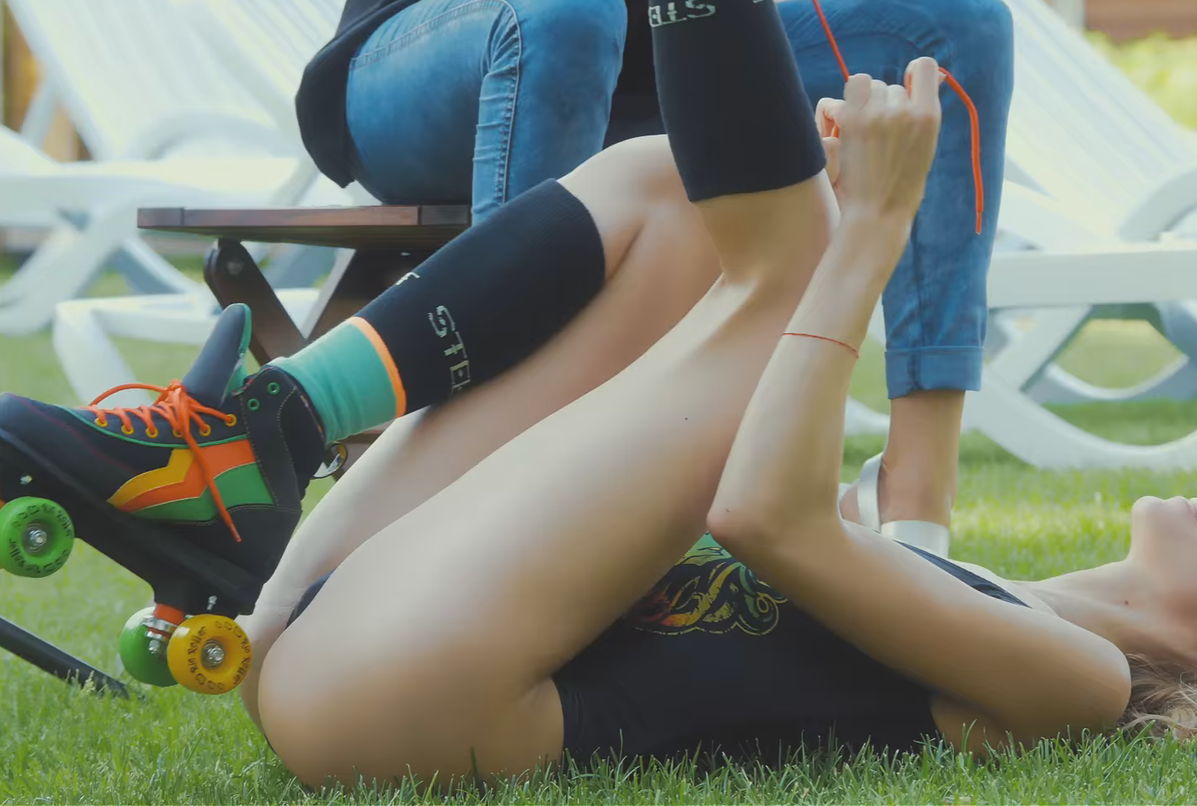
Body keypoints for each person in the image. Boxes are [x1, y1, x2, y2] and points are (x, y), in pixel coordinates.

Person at [0, 0, 1197, 786]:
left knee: (800, 250)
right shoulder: (987, 590)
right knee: (668, 194)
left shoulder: (1077, 681)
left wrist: (871, 241)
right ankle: (263, 444)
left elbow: (766, 514)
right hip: (350, 627)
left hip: (423, 700)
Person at [296, 0, 1020, 555]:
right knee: (569, 14)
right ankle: (513, 503)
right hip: (434, 51)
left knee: (955, 20)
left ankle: (913, 504)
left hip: (660, 61)